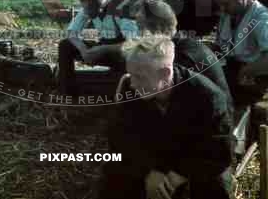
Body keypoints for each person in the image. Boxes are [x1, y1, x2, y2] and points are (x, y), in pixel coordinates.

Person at [100, 37, 235, 199]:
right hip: (154, 155)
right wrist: (150, 170)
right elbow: (120, 139)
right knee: (114, 174)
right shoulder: (131, 90)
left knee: (216, 185)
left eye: (140, 77)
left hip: (191, 157)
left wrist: (177, 175)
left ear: (165, 73)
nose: (133, 84)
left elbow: (220, 151)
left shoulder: (208, 97)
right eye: (131, 75)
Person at [132, 0, 231, 102]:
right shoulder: (183, 43)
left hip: (216, 116)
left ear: (158, 27)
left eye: (141, 27)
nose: (140, 35)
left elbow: (167, 98)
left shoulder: (181, 57)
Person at [58, 0, 139, 95]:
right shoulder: (88, 9)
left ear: (100, 6)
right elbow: (71, 33)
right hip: (103, 50)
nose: (86, 13)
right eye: (84, 8)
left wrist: (103, 49)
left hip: (122, 57)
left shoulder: (120, 12)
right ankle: (67, 91)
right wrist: (83, 50)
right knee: (65, 45)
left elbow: (133, 43)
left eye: (89, 9)